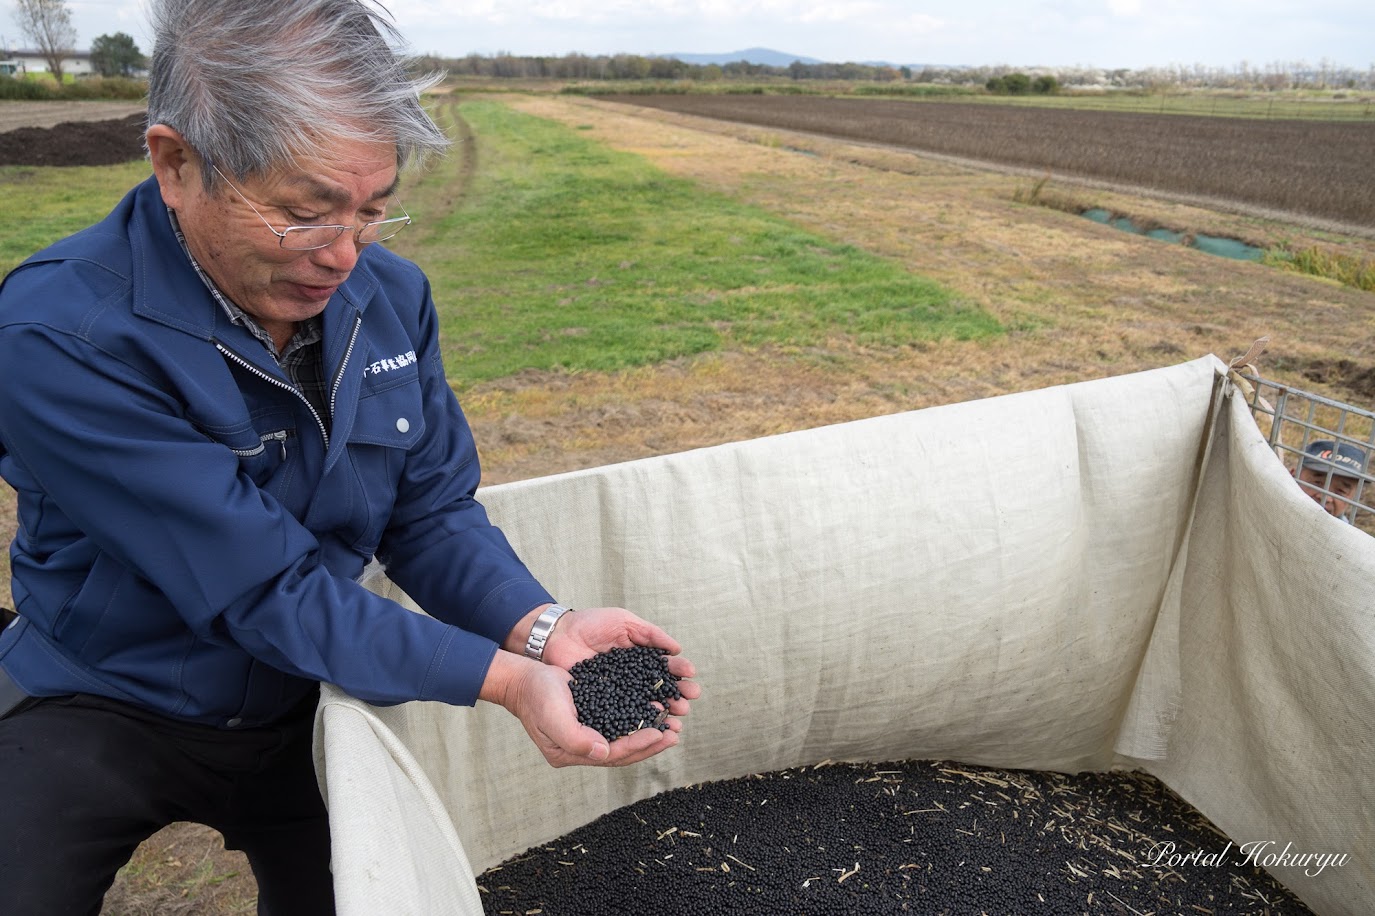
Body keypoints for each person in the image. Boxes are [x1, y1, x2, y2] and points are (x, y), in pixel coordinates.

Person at [0, 2, 699, 913]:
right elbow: (259, 586)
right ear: (176, 163)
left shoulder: (390, 297)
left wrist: (539, 630)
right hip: (104, 692)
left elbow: (430, 510)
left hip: (315, 694)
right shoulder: (61, 335)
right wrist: (506, 683)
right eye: (303, 213)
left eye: (372, 210)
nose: (342, 256)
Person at [1293, 439, 1369, 521]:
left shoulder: (1344, 532)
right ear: (1292, 475)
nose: (1325, 498)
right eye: (1317, 483)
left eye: (1341, 491)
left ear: (1353, 496)